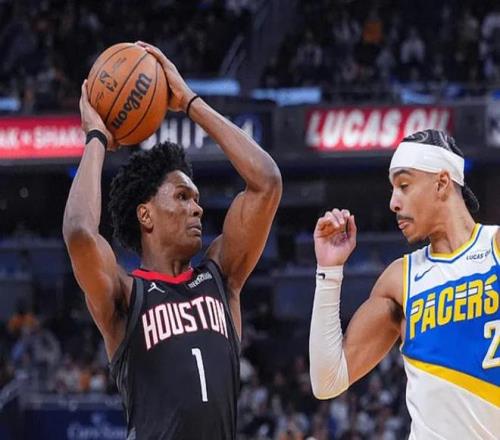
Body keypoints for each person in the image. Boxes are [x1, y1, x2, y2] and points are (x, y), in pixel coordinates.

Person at [62, 41, 282, 439]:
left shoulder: (222, 277)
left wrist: (191, 101)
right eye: (182, 197)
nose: (197, 208)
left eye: (196, 199)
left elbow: (266, 183)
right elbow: (79, 233)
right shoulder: (126, 296)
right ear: (145, 214)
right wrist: (96, 138)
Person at [309, 129, 500, 439]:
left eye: (404, 186)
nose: (393, 203)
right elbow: (326, 381)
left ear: (442, 183)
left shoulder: (495, 247)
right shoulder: (400, 279)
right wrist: (329, 271)